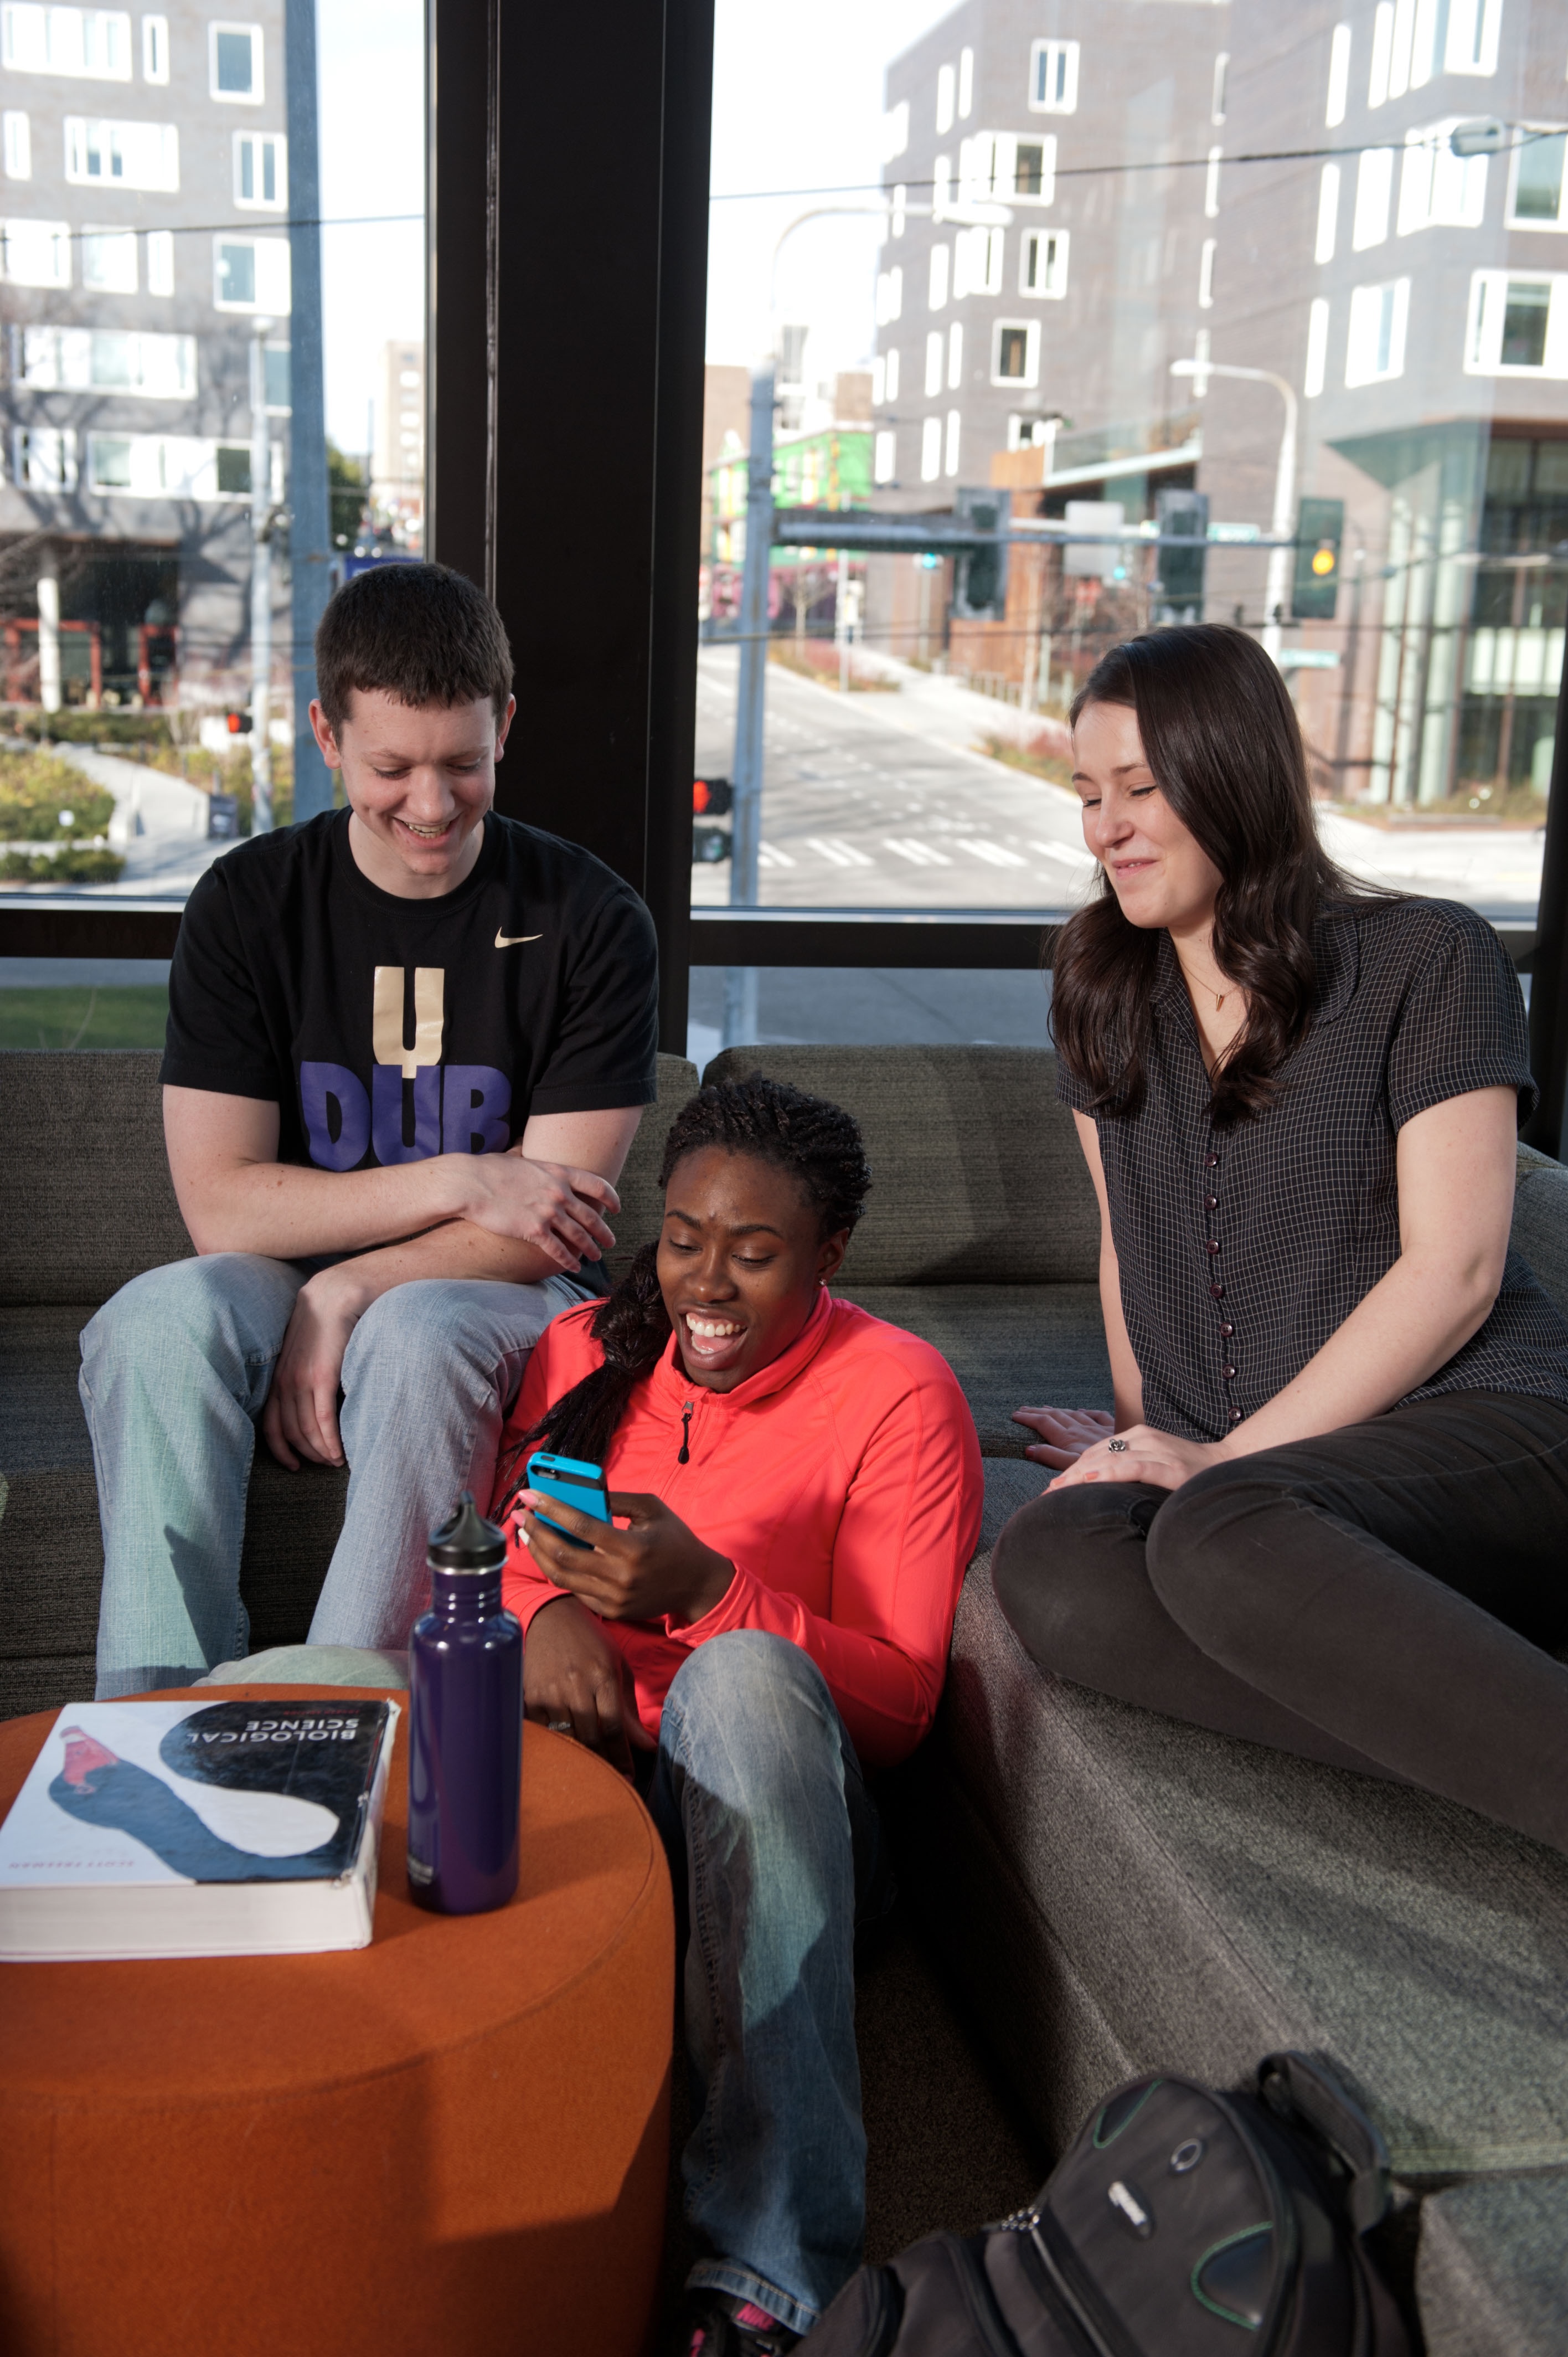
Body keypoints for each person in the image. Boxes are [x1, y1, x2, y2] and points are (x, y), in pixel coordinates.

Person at [992, 624, 1568, 1856]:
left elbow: (1457, 1271)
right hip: (1275, 1482)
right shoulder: (1104, 991)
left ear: (1236, 772)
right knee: (1052, 1558)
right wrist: (1152, 1433)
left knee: (1217, 1528)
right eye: (1091, 795)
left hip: (1486, 1427)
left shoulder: (1428, 954)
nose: (1107, 826)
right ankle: (1468, 1718)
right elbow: (1124, 1240)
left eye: (1142, 789)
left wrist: (1223, 1462)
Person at [81, 562, 659, 1699]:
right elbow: (223, 1204)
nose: (431, 806)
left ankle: (345, 1727)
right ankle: (150, 1723)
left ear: (506, 724)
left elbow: (551, 1225)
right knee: (152, 1322)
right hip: (270, 1278)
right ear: (327, 736)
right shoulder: (249, 906)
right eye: (392, 768)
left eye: (463, 765)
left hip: (488, 1292)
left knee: (415, 1328)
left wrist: (349, 1288)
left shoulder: (591, 919)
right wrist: (461, 1174)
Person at [495, 1075, 983, 2356]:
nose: (706, 1285)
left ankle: (769, 2267)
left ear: (829, 1254)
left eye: (756, 1255)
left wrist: (715, 1596)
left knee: (743, 1680)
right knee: (344, 1674)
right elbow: (513, 1531)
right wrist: (543, 1610)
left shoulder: (900, 1394)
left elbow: (900, 1706)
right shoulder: (586, 1346)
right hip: (600, 1782)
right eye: (685, 1239)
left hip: (792, 1816)